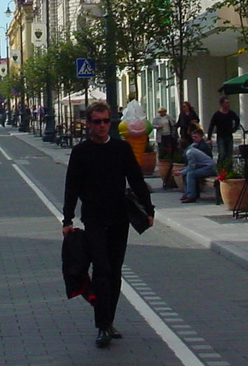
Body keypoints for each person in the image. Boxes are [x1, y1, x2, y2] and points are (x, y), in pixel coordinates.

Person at [62, 101, 154, 348]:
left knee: (114, 271)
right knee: (101, 270)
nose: (102, 126)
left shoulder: (121, 149)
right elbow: (72, 186)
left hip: (119, 217)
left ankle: (109, 320)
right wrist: (67, 219)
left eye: (105, 121)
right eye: (97, 122)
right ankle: (102, 325)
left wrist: (149, 209)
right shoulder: (81, 152)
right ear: (89, 124)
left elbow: (136, 179)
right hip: (93, 217)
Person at [180, 129, 217, 203]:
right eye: (193, 137)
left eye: (196, 137)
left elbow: (193, 165)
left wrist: (182, 171)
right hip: (202, 166)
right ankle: (188, 193)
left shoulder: (202, 147)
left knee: (190, 174)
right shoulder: (193, 145)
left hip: (209, 168)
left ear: (201, 137)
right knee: (186, 173)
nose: (194, 138)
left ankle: (191, 196)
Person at [208, 96, 241, 164]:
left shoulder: (231, 113)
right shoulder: (217, 115)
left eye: (228, 103)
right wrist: (209, 137)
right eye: (226, 103)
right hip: (221, 136)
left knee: (229, 154)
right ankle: (220, 166)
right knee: (222, 153)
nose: (228, 104)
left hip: (229, 135)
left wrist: (235, 128)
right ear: (222, 104)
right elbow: (211, 125)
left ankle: (228, 167)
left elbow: (237, 119)